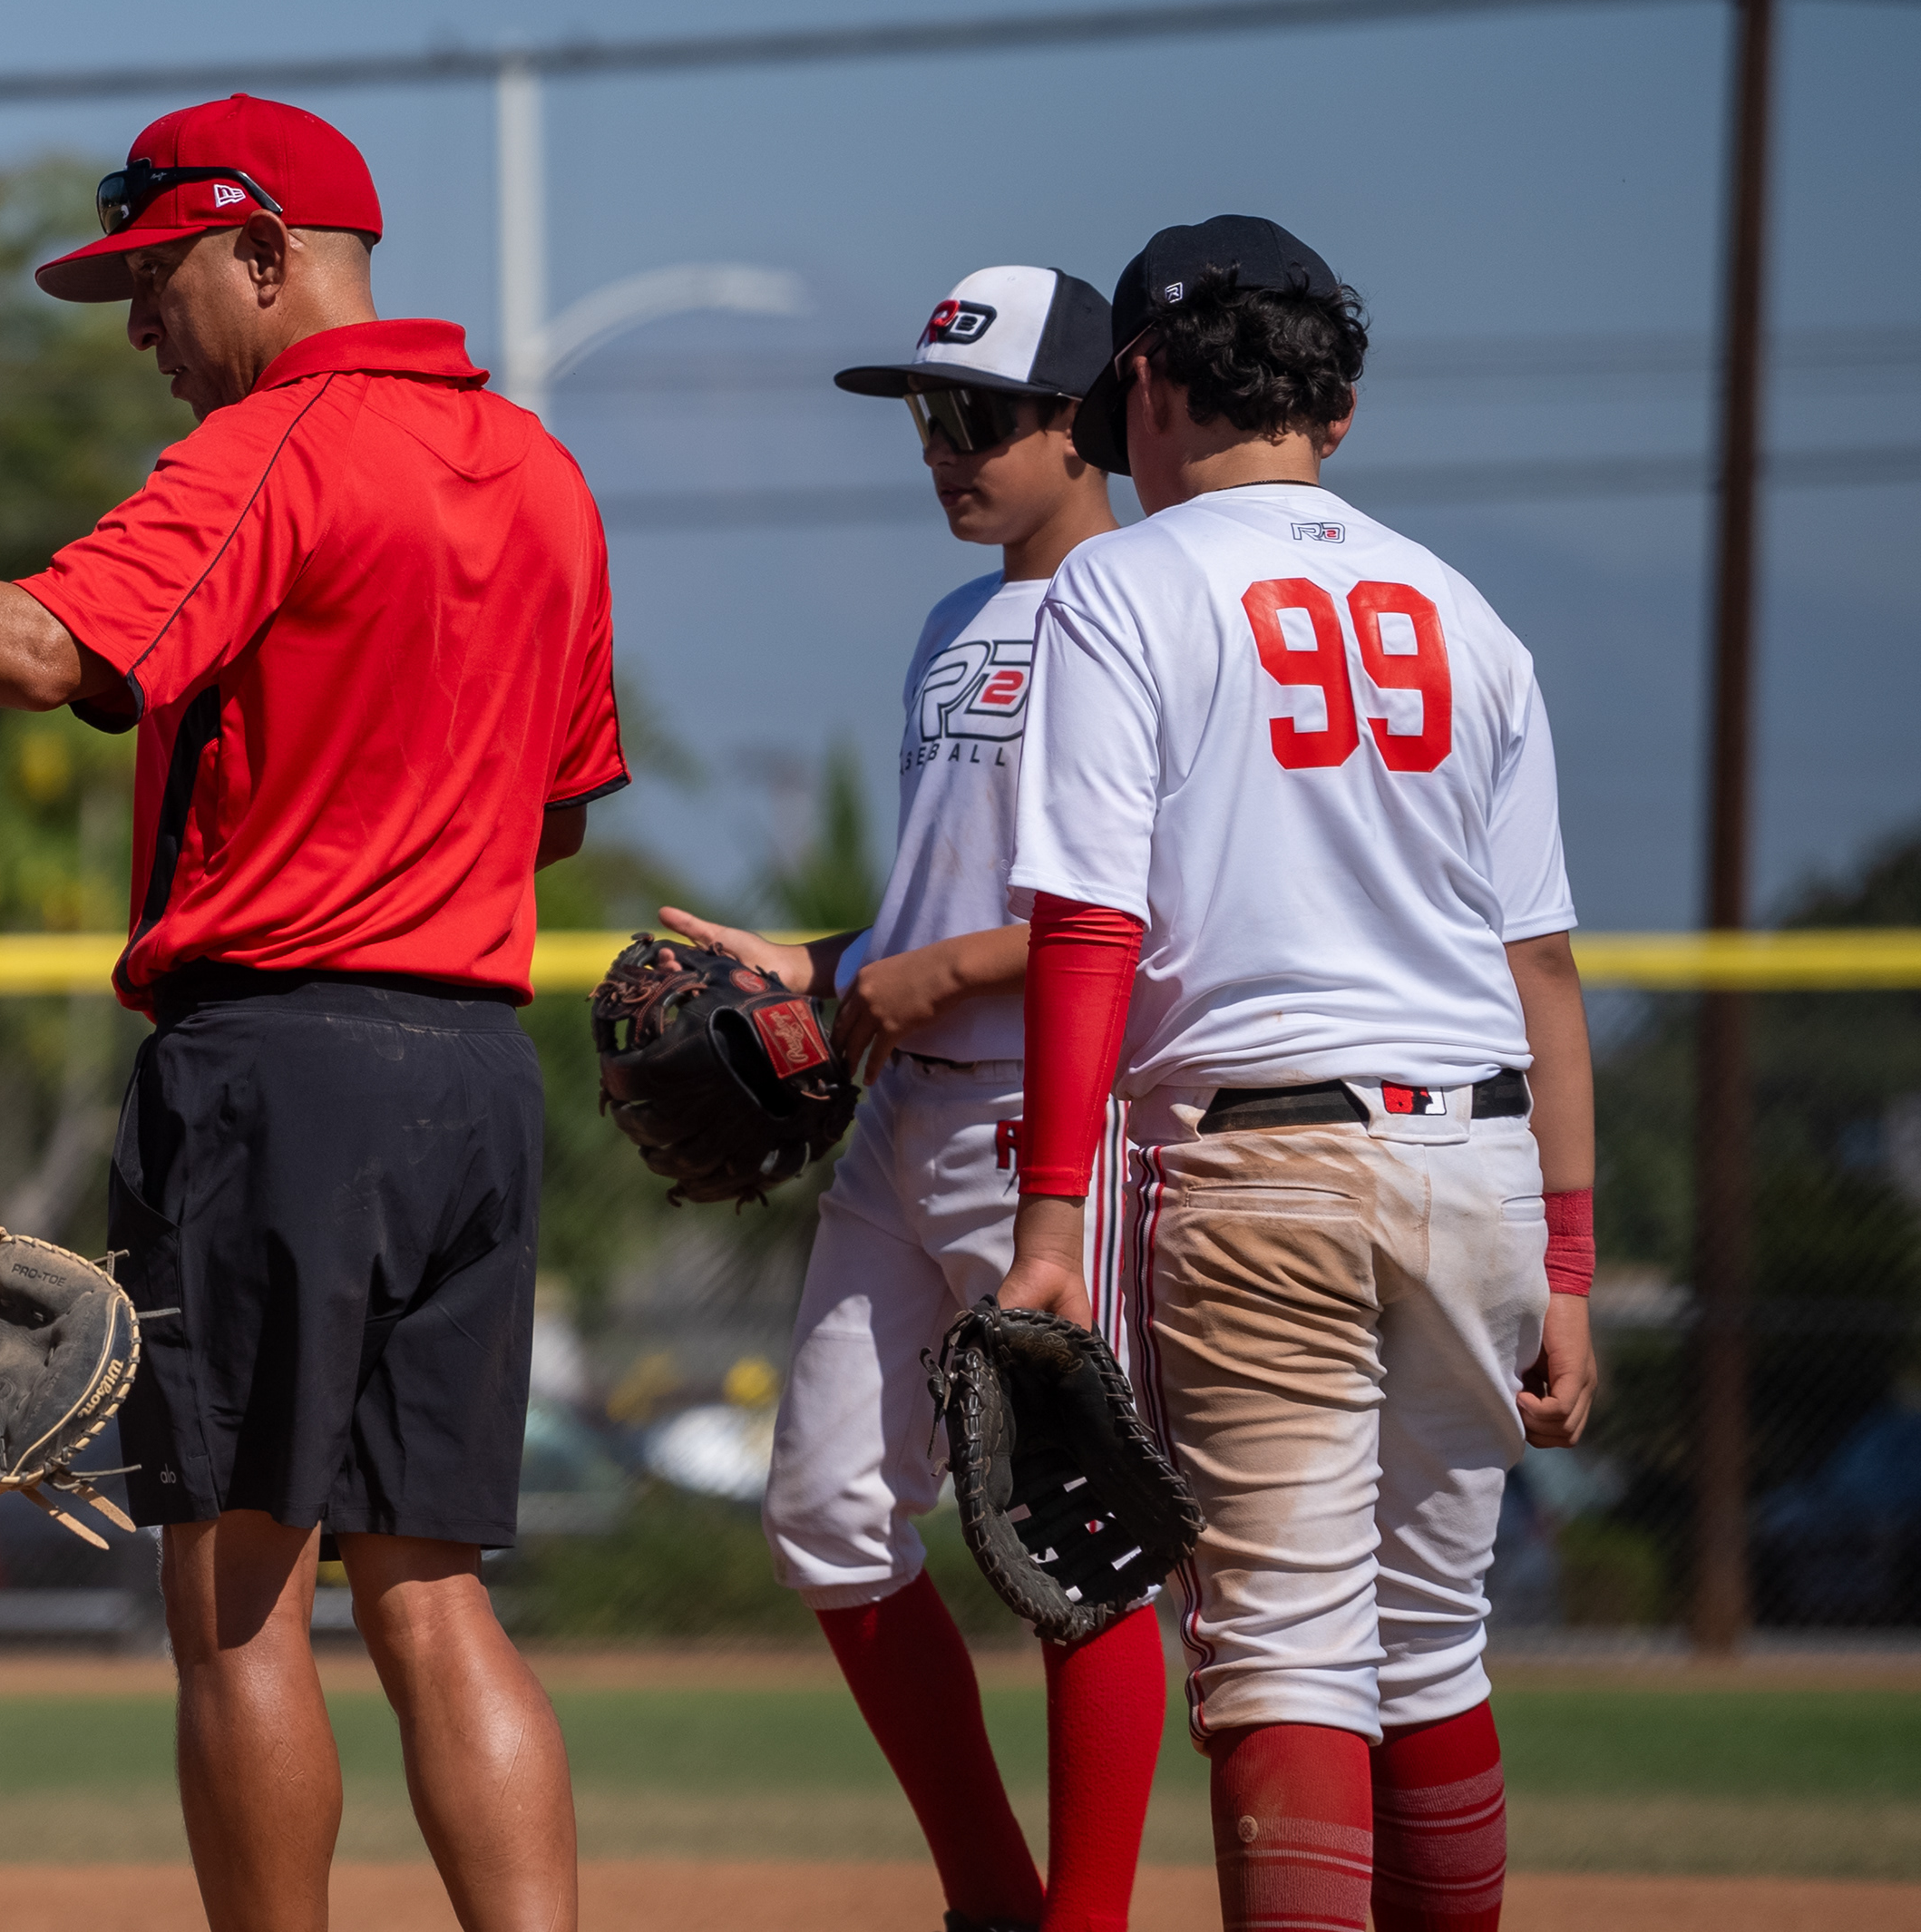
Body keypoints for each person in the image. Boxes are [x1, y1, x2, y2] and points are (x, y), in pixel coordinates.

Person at [0, 94, 621, 1932]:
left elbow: (48, 646)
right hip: (477, 1077)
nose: (138, 328)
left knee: (234, 1597)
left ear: (265, 251)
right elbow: (554, 808)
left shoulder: (275, 444)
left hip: (281, 1068)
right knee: (432, 1591)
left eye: (155, 276)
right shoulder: (538, 468)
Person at [1002, 218, 1594, 1932]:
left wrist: (1049, 1227)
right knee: (1432, 1648)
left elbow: (1089, 925)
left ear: (1150, 383)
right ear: (1331, 397)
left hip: (1266, 1168)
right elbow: (1542, 972)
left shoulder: (1125, 582)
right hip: (1481, 1162)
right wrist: (1568, 1264)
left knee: (1287, 1659)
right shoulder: (1467, 613)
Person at [664, 264, 1164, 1932]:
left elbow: (1147, 905)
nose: (943, 446)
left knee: (1073, 1539)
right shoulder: (954, 624)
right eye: (927, 415)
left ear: (1084, 423)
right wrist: (820, 961)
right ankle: (994, 1898)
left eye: (979, 415)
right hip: (903, 1117)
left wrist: (937, 973)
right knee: (825, 1512)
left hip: (1048, 1121)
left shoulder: (1142, 612)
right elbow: (941, 904)